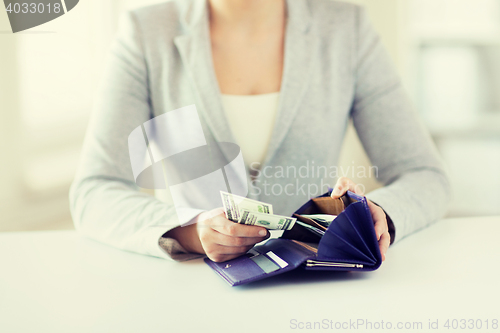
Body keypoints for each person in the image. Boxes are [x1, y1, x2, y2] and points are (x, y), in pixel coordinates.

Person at [69, 0, 450, 263]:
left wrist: (376, 213)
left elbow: (425, 175)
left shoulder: (345, 29)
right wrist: (188, 232)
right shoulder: (145, 33)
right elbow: (95, 189)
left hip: (316, 288)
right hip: (193, 294)